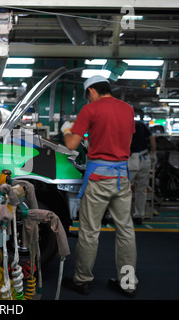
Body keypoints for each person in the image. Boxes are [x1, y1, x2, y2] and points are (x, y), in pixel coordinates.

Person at [61, 75, 138, 298]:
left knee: (89, 232)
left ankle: (82, 281)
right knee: (125, 231)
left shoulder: (91, 109)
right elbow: (125, 143)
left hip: (97, 180)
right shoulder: (127, 109)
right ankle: (127, 282)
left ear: (91, 91)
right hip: (121, 178)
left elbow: (72, 144)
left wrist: (68, 129)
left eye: (87, 96)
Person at [129, 120, 157, 225]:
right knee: (141, 189)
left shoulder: (123, 124)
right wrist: (154, 154)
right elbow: (152, 138)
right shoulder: (140, 124)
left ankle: (122, 215)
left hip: (130, 158)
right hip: (144, 158)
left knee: (123, 189)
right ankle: (139, 215)